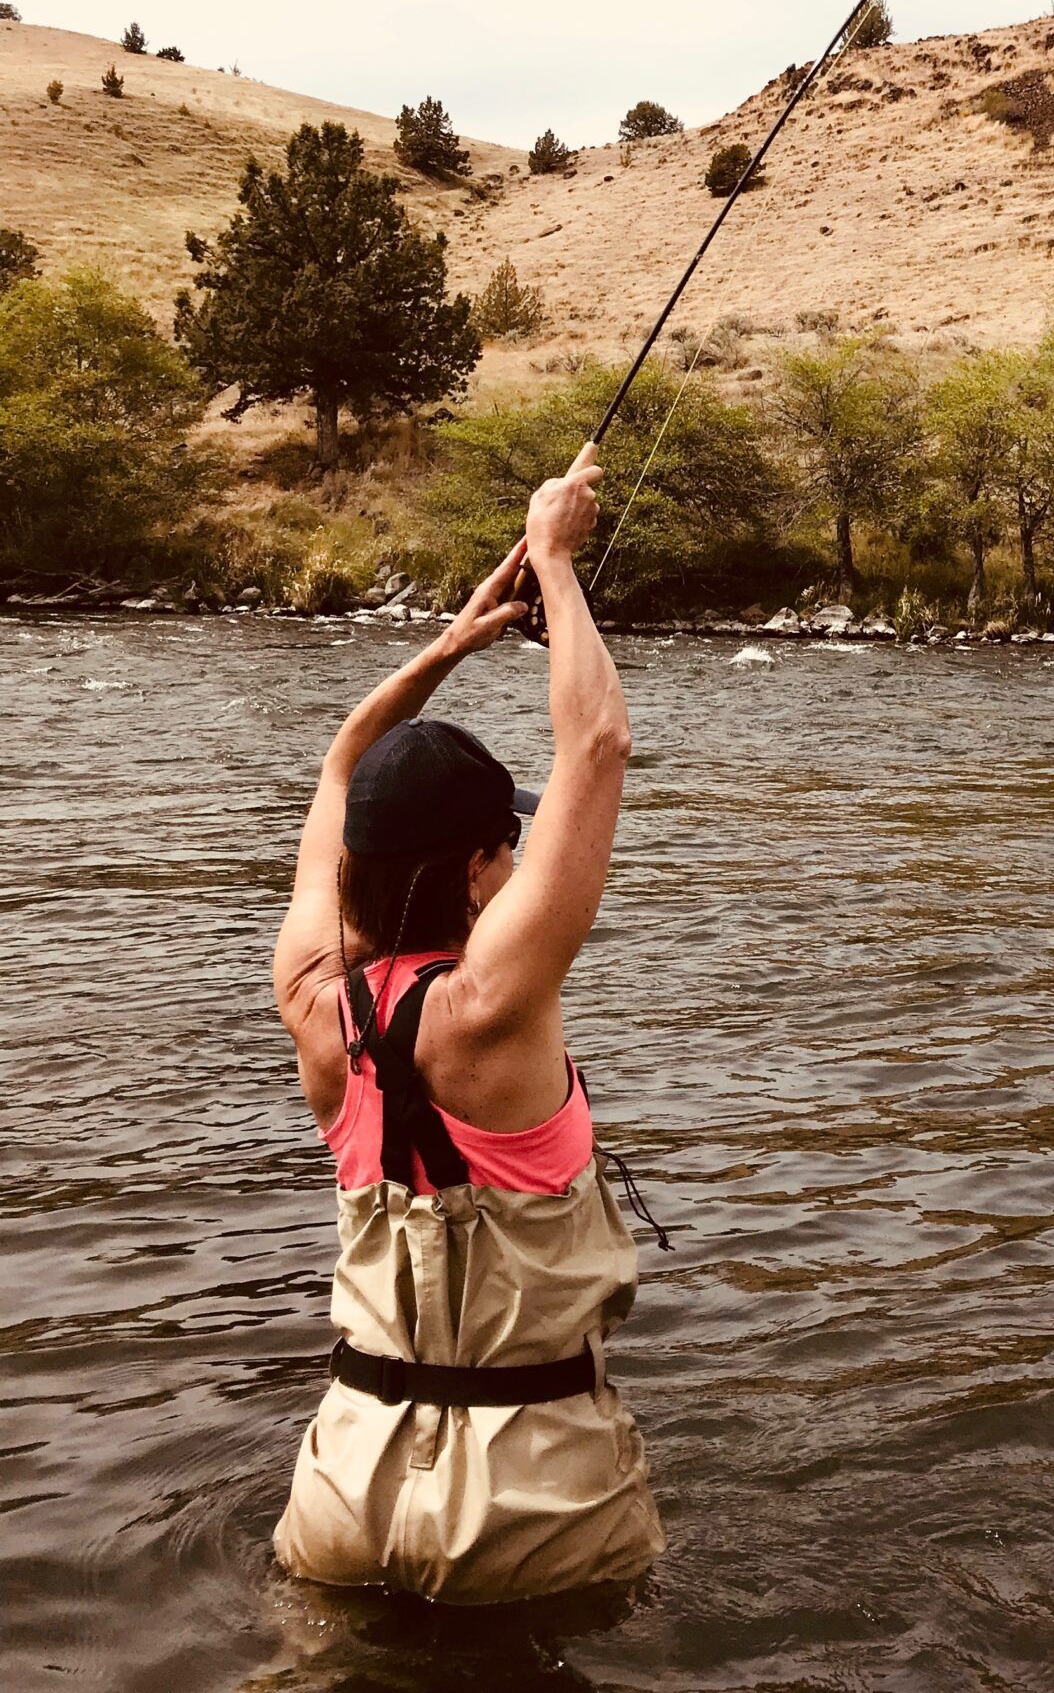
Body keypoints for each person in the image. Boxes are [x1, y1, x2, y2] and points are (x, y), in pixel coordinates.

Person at [271, 447, 665, 1602]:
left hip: (345, 1479)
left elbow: (342, 768)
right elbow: (597, 746)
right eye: (508, 844)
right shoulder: (495, 1004)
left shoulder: (311, 997)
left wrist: (448, 644)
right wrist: (555, 557)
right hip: (530, 1491)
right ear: (482, 867)